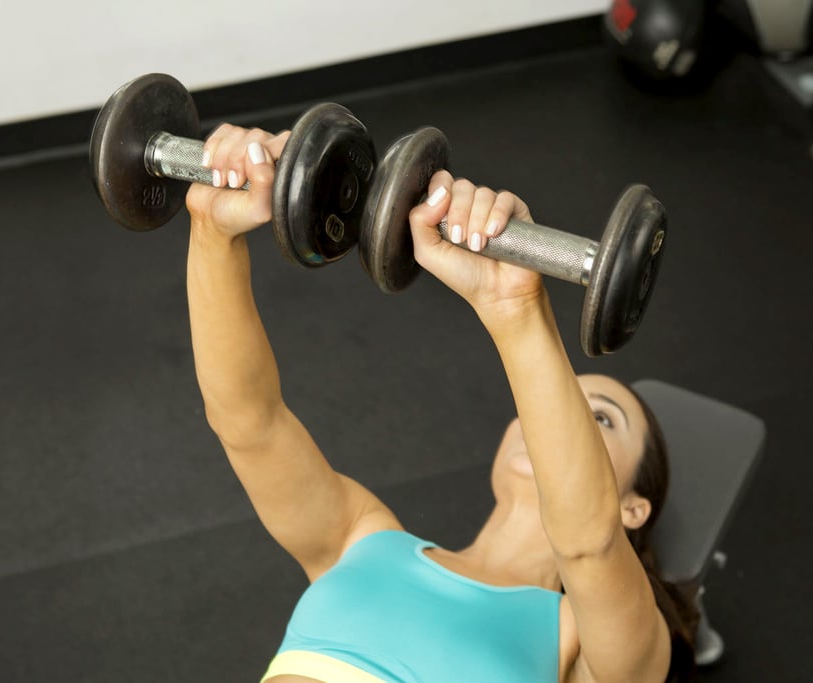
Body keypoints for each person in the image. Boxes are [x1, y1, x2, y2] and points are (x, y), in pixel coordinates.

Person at [186, 124, 697, 683]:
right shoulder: (357, 536)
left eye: (596, 417)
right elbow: (248, 422)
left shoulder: (589, 645)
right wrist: (212, 232)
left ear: (633, 509)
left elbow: (589, 542)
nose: (550, 420)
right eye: (554, 406)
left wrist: (516, 308)